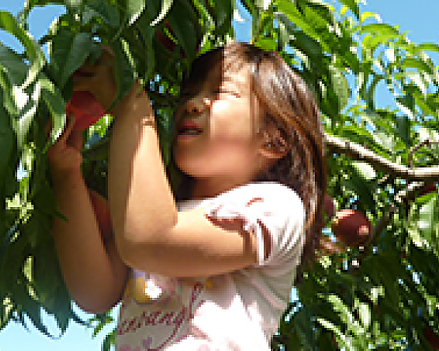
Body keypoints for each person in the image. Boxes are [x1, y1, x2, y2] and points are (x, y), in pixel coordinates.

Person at [47, 42, 327, 350]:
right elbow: (94, 291)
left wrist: (132, 104)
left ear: (274, 141)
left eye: (219, 92)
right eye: (188, 94)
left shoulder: (275, 206)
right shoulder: (160, 215)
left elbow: (152, 241)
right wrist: (66, 172)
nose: (193, 103)